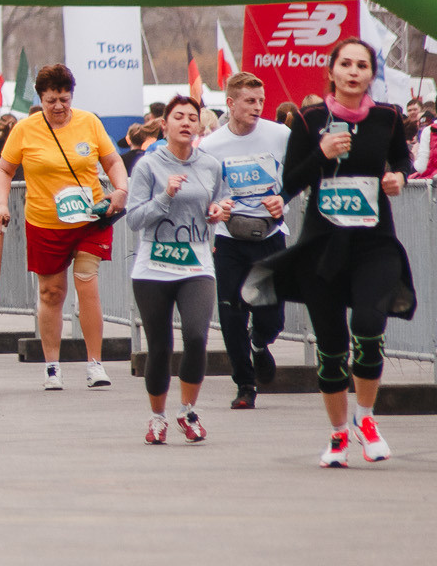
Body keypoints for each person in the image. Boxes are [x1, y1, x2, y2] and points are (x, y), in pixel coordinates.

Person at [254, 38, 413, 467]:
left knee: (368, 326)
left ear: (371, 74)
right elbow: (291, 180)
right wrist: (322, 155)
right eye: (346, 64)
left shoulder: (387, 118)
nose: (354, 72)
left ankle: (367, 418)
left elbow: (403, 161)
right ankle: (339, 433)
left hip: (374, 242)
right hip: (322, 246)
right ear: (331, 71)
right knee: (331, 346)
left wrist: (398, 176)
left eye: (362, 65)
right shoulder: (310, 120)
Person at [0, 64, 130, 391]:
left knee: (86, 281)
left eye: (64, 99)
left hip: (89, 219)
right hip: (45, 222)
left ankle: (95, 363)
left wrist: (121, 189)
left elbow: (112, 161)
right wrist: (1, 204)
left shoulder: (89, 122)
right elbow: (4, 170)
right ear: (40, 99)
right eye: (51, 100)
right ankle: (52, 365)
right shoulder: (25, 129)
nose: (58, 106)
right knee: (51, 293)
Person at [125, 95, 230, 445]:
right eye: (179, 117)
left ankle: (187, 411)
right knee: (160, 346)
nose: (186, 123)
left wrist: (219, 210)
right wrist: (165, 196)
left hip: (196, 264)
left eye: (192, 117)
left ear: (199, 125)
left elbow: (221, 200)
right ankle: (157, 417)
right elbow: (134, 219)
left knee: (197, 337)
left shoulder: (210, 165)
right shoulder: (148, 166)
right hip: (153, 267)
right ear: (164, 124)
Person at [199, 73, 292, 409]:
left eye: (261, 101)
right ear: (230, 104)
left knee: (272, 316)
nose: (257, 107)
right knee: (232, 313)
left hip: (270, 235)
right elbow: (203, 194)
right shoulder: (211, 146)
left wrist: (283, 198)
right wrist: (215, 207)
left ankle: (259, 343)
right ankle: (245, 384)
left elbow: (299, 174)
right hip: (230, 239)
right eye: (250, 101)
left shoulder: (279, 135)